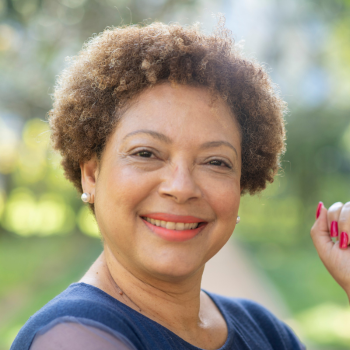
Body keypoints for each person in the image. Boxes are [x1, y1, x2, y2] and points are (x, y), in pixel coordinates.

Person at [11, 20, 350, 350]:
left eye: (216, 162)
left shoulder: (266, 331)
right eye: (146, 153)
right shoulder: (73, 338)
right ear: (92, 175)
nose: (181, 187)